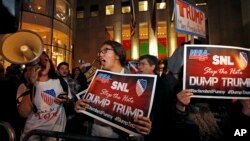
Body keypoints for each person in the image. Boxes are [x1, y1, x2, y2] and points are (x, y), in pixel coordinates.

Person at [74, 40, 152, 140]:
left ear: (118, 55)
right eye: (100, 52)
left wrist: (144, 126)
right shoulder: (96, 78)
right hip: (94, 134)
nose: (101, 55)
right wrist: (79, 105)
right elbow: (84, 103)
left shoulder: (135, 83)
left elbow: (141, 115)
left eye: (105, 50)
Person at [18, 52, 69, 141]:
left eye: (45, 59)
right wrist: (31, 85)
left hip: (55, 134)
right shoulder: (28, 85)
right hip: (33, 134)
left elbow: (70, 103)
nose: (42, 63)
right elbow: (23, 114)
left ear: (50, 63)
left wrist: (66, 100)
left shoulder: (60, 82)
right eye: (38, 61)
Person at [137, 54, 175, 140]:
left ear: (153, 66)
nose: (139, 67)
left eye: (143, 64)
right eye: (138, 64)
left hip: (156, 130)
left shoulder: (162, 85)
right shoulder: (139, 82)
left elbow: (163, 110)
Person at [57, 61, 88, 135]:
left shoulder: (73, 81)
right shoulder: (55, 81)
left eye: (66, 69)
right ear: (58, 70)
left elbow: (80, 91)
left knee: (71, 129)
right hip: (60, 108)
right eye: (62, 69)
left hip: (72, 107)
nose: (64, 70)